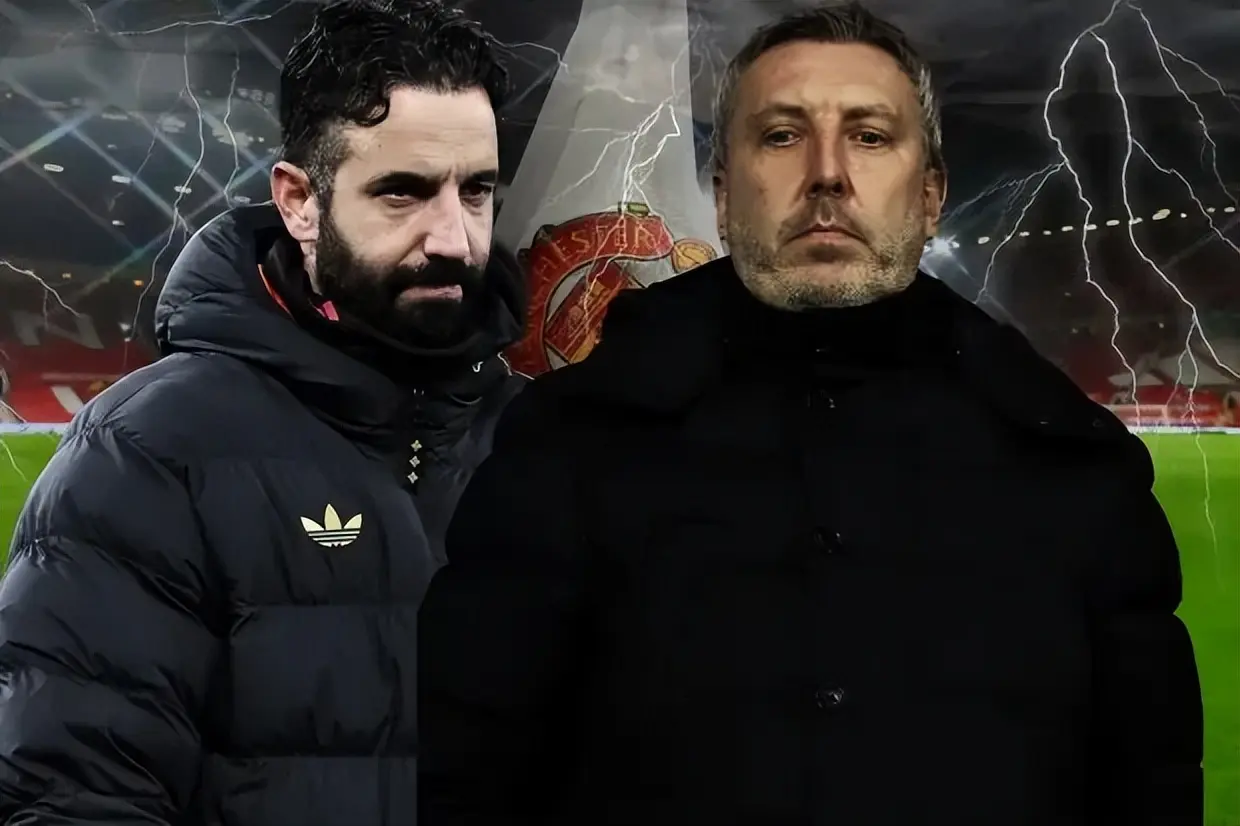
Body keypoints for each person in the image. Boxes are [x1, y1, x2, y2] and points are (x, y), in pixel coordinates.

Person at [417, 3, 1203, 825]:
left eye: (869, 136)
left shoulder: (1075, 473)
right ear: (724, 197)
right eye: (783, 135)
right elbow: (460, 772)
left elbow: (1147, 787)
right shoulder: (566, 450)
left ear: (930, 196)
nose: (827, 173)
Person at [0, 2, 523, 823]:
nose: (454, 238)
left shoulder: (549, 440)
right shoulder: (151, 450)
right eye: (403, 193)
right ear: (299, 201)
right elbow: (72, 795)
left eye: (477, 191)